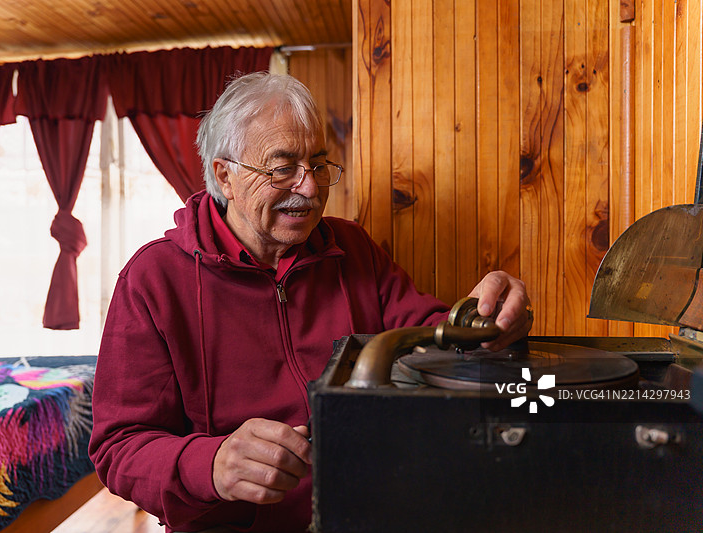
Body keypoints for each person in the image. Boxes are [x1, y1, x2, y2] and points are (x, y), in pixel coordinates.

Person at [89, 72, 533, 533]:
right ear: (226, 175)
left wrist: (489, 325)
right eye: (283, 169)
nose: (311, 188)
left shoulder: (351, 247)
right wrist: (212, 463)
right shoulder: (152, 279)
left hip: (373, 512)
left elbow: (429, 333)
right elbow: (118, 447)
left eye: (318, 164)